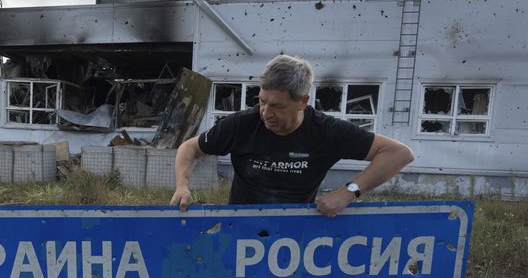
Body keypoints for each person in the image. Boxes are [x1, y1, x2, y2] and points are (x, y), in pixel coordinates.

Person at [169, 54, 414, 217]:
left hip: (296, 232)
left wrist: (348, 192)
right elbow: (189, 148)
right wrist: (182, 186)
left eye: (277, 106)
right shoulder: (242, 124)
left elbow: (398, 153)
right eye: (262, 101)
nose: (266, 113)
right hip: (240, 226)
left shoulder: (326, 131)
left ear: (302, 102)